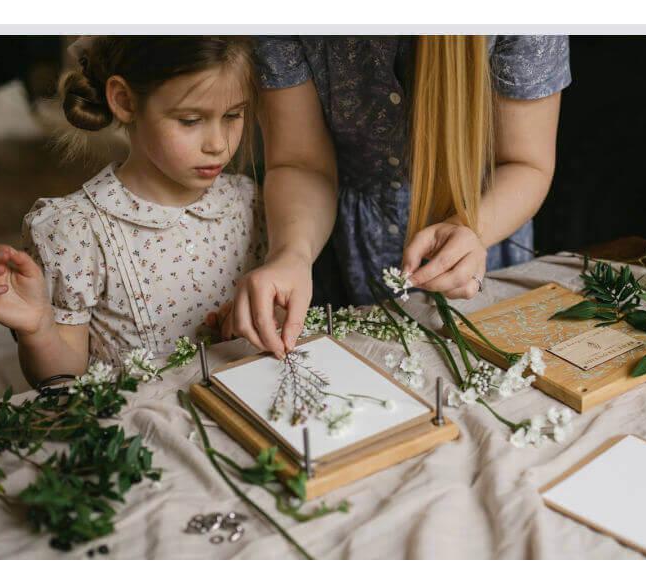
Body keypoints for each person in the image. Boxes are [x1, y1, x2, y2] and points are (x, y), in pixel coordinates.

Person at [232, 35, 570, 359]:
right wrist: (292, 254)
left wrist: (474, 229)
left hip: (488, 231)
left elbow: (526, 163)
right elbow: (300, 162)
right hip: (336, 241)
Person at [0, 36, 265, 386]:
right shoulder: (76, 230)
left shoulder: (248, 203)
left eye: (233, 115)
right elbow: (62, 377)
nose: (218, 144)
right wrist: (38, 328)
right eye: (189, 120)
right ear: (124, 101)